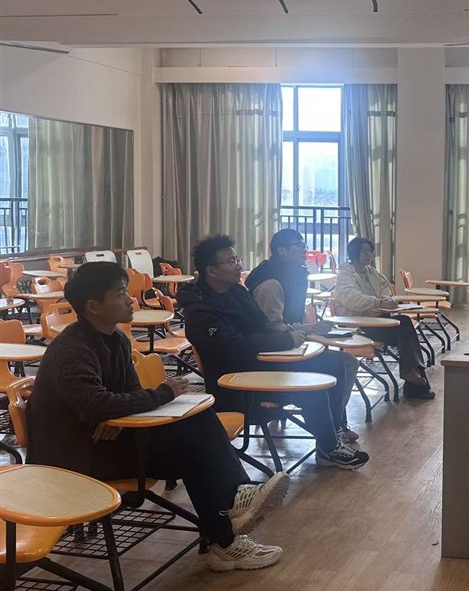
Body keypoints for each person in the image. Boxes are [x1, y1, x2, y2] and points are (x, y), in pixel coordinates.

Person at [26, 262, 289, 572]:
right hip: (72, 459)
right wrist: (159, 394)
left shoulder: (116, 339)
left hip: (104, 442)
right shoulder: (72, 350)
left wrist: (115, 414)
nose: (131, 300)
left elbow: (126, 395)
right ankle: (230, 527)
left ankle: (231, 520)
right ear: (93, 307)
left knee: (196, 426)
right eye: (120, 294)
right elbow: (97, 405)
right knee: (194, 447)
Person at [178, 235, 369, 470]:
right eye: (230, 262)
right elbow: (235, 347)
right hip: (237, 382)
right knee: (313, 385)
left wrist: (298, 331)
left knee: (336, 361)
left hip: (262, 364)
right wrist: (284, 340)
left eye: (237, 259)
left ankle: (332, 434)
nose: (238, 265)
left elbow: (264, 325)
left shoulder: (237, 292)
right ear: (211, 271)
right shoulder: (199, 310)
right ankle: (329, 448)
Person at [246, 228, 361, 442]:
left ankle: (335, 425)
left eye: (304, 245)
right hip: (272, 357)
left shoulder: (294, 274)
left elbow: (291, 321)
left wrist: (311, 328)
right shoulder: (270, 283)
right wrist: (310, 329)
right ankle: (331, 434)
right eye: (298, 246)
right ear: (281, 250)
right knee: (337, 365)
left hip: (291, 346)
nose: (304, 250)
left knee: (348, 362)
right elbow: (272, 329)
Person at [332, 237, 434, 400]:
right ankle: (414, 383)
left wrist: (386, 300)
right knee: (406, 331)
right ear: (354, 253)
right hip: (358, 325)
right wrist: (378, 302)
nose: (368, 254)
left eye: (370, 251)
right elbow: (352, 298)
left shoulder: (371, 272)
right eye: (364, 251)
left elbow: (385, 289)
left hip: (376, 320)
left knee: (405, 324)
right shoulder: (345, 275)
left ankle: (411, 374)